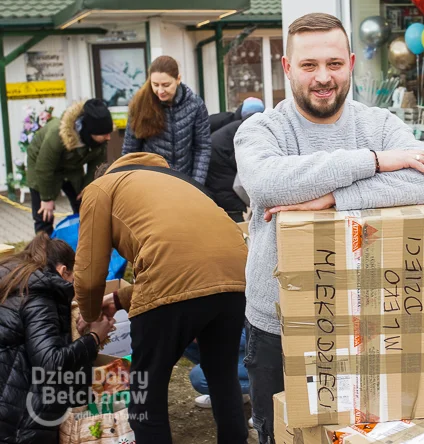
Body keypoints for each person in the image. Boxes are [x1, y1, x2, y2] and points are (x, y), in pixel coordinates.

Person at [234, 12, 424, 444]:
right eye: (309, 65)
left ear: (351, 63)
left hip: (369, 320)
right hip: (279, 326)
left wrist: (333, 199)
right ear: (287, 67)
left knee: (362, 433)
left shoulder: (379, 124)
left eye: (333, 64)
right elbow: (267, 182)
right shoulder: (263, 129)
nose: (322, 78)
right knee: (282, 435)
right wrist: (372, 162)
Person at [73, 152, 249, 444]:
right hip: (235, 275)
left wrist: (90, 317)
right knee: (222, 377)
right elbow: (187, 254)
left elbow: (89, 274)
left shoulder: (101, 188)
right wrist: (117, 300)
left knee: (146, 396)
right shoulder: (179, 180)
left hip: (173, 278)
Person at [0, 233, 114, 444]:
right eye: (74, 280)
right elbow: (50, 363)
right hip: (17, 423)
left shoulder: (15, 285)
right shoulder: (38, 299)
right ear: (63, 271)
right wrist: (95, 337)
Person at [26, 99, 112, 235]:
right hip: (41, 168)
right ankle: (43, 251)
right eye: (104, 134)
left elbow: (96, 167)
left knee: (84, 205)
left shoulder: (100, 140)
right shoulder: (57, 135)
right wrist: (46, 198)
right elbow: (44, 167)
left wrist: (87, 189)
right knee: (44, 215)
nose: (109, 137)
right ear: (90, 132)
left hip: (71, 168)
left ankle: (82, 243)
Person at [122, 55, 211, 184]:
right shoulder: (139, 105)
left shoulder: (195, 105)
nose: (160, 91)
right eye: (155, 85)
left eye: (166, 85)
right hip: (151, 182)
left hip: (185, 181)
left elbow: (202, 147)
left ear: (178, 79)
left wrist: (197, 183)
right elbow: (129, 151)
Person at [205, 100, 264, 221]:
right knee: (229, 200)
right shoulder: (247, 129)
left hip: (212, 161)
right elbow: (241, 162)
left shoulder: (232, 123)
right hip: (219, 163)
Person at [184, 330, 251, 410]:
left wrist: (206, 338)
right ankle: (236, 394)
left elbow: (250, 336)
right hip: (244, 345)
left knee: (201, 377)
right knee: (184, 337)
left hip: (263, 352)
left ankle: (264, 397)